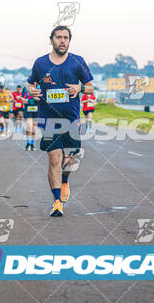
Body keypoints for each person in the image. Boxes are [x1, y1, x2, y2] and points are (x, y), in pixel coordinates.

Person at [26, 25, 94, 217]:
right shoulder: (40, 64)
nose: (62, 41)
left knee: (69, 161)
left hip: (71, 120)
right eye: (58, 37)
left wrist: (79, 89)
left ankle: (65, 180)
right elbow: (30, 85)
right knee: (54, 159)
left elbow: (89, 88)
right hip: (49, 120)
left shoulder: (77, 62)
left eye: (65, 38)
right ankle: (57, 201)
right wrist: (30, 90)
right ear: (51, 40)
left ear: (69, 41)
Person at [21, 85, 39, 151]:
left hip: (37, 110)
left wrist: (38, 99)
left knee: (34, 128)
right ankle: (28, 143)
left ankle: (32, 144)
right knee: (29, 127)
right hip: (28, 109)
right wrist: (24, 100)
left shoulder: (39, 88)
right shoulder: (25, 88)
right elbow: (21, 98)